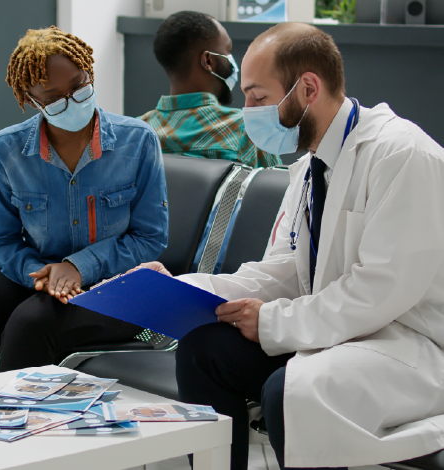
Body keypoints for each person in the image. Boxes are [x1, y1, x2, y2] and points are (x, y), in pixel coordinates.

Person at [139, 23, 444, 470]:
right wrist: (187, 288)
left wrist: (273, 322)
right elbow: (283, 269)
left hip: (406, 344)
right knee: (204, 352)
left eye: (259, 97)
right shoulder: (308, 168)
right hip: (333, 329)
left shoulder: (402, 154)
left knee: (291, 393)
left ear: (307, 88)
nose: (247, 110)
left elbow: (380, 291)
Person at [0, 26, 168, 384]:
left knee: (31, 323)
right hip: (38, 273)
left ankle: (7, 426)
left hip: (116, 281)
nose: (73, 100)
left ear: (89, 71)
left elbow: (149, 238)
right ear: (30, 99)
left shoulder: (138, 141)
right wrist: (41, 276)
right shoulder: (5, 150)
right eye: (55, 98)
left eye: (79, 85)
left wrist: (77, 267)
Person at [139, 11, 280, 169]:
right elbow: (281, 191)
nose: (231, 60)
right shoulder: (247, 130)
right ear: (208, 61)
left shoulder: (136, 133)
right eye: (227, 50)